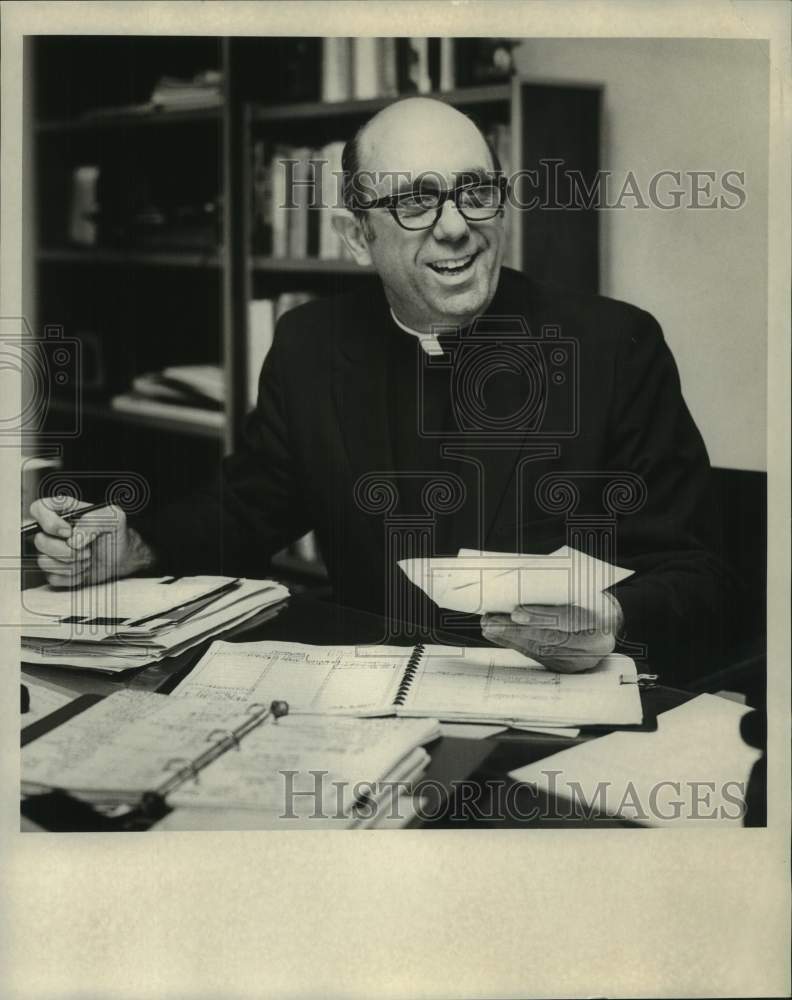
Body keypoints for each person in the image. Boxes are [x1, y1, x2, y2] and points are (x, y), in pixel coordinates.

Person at [29, 97, 732, 683]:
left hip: (556, 718)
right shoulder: (311, 346)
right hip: (374, 705)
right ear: (355, 237)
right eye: (416, 202)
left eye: (475, 192)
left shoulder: (616, 347)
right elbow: (247, 507)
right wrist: (135, 548)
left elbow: (698, 571)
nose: (456, 227)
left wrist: (612, 621)